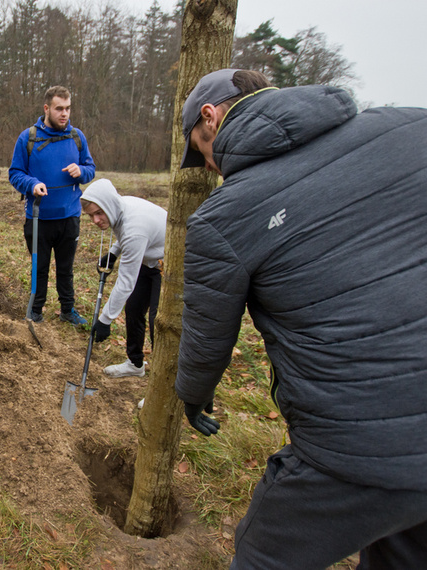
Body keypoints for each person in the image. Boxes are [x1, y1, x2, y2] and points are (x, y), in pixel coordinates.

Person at [175, 68, 427, 569]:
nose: (209, 166)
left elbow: (206, 342)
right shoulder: (411, 127)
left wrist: (193, 396)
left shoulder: (224, 216)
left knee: (264, 556)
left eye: (201, 151)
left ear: (211, 117)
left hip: (356, 444)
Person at [9, 85, 96, 326]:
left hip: (70, 216)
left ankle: (68, 310)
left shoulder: (77, 137)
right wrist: (32, 184)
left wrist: (82, 171)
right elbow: (15, 173)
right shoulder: (28, 138)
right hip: (39, 217)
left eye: (68, 108)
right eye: (59, 108)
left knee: (66, 268)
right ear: (47, 108)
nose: (64, 113)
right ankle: (35, 311)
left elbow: (91, 169)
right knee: (40, 267)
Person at [80, 179, 166, 378]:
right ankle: (135, 364)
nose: (95, 220)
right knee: (134, 309)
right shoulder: (119, 207)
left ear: (109, 206)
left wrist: (105, 319)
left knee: (159, 321)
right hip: (149, 259)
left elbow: (126, 282)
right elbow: (124, 233)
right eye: (91, 215)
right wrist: (113, 252)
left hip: (169, 266)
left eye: (99, 213)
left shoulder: (134, 229)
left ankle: (164, 378)